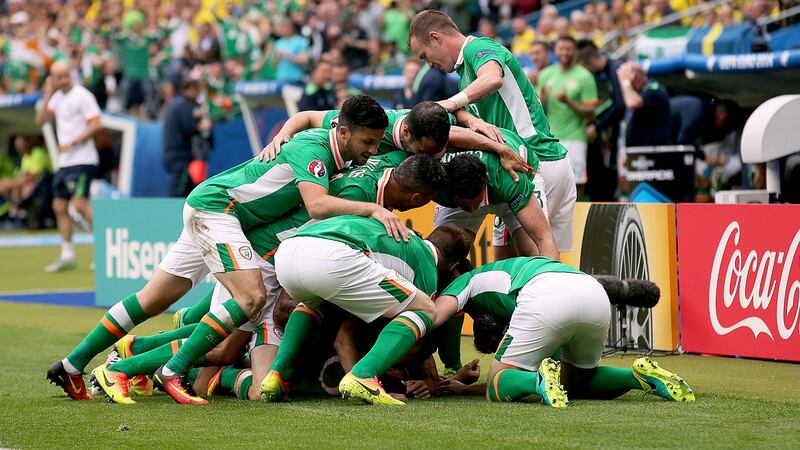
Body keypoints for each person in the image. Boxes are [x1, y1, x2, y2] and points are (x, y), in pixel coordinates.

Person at [45, 96, 403, 404]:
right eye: (368, 142)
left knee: (151, 299)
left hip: (212, 206)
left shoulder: (332, 141)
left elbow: (308, 116)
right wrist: (373, 209)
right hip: (220, 210)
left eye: (377, 143)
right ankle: (168, 371)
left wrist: (284, 131)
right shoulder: (315, 151)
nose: (373, 150)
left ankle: (72, 365)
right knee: (251, 297)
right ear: (344, 132)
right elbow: (317, 205)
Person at [91, 153, 448, 404]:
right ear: (418, 197)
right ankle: (124, 366)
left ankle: (142, 349)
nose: (370, 150)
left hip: (278, 270)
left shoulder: (369, 173)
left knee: (256, 385)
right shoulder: (358, 194)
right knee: (223, 348)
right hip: (263, 263)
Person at [408, 10, 577, 253]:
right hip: (523, 162)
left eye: (425, 56)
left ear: (435, 37)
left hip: (532, 163)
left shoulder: (477, 48)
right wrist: (464, 115)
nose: (429, 65)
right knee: (518, 260)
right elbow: (470, 103)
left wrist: (451, 103)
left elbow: (492, 79)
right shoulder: (465, 76)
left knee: (537, 258)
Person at [261, 216, 472, 405]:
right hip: (336, 257)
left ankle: (278, 374)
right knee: (426, 310)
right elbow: (415, 341)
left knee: (311, 303)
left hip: (289, 252)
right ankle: (364, 376)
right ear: (454, 265)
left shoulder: (399, 231)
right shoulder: (426, 265)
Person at [433, 257, 696, 406]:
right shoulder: (506, 272)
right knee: (578, 380)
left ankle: (536, 381)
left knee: (496, 385)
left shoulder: (463, 282)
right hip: (593, 292)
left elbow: (431, 317)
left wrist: (448, 384)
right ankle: (638, 377)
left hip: (544, 295)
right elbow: (560, 375)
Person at [261, 102, 528, 178]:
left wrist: (498, 147)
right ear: (407, 134)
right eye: (425, 152)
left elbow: (455, 122)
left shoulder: (429, 125)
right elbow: (307, 116)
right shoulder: (373, 125)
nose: (431, 157)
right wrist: (284, 135)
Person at [435, 135, 559, 262]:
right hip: (481, 185)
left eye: (477, 204)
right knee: (443, 252)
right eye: (465, 207)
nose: (472, 211)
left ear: (486, 182)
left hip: (516, 175)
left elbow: (544, 238)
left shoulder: (510, 179)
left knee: (534, 253)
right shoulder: (436, 180)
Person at [35, 61, 102, 273]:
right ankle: (67, 254)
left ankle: (104, 250)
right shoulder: (56, 97)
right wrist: (48, 93)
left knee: (80, 205)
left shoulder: (82, 95)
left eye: (67, 75)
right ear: (52, 79)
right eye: (59, 77)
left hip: (83, 159)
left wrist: (74, 142)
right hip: (65, 162)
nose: (64, 80)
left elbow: (97, 123)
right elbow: (41, 120)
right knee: (59, 206)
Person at [538, 36, 598, 195]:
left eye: (568, 49)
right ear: (555, 51)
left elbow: (591, 110)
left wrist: (569, 102)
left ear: (576, 51)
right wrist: (541, 99)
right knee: (549, 182)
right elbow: (536, 108)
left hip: (575, 137)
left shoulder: (584, 76)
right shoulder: (546, 74)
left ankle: (576, 210)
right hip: (551, 138)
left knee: (576, 182)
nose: (565, 52)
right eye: (561, 49)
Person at [577, 39, 626, 201]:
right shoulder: (610, 70)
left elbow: (620, 106)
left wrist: (597, 126)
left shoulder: (615, 68)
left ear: (591, 61)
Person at [162, 78, 212, 197]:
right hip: (179, 155)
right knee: (176, 189)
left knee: (187, 187)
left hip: (173, 153)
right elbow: (188, 127)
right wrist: (202, 127)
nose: (198, 93)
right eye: (197, 90)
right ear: (189, 89)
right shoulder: (183, 105)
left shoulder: (176, 103)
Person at [617, 62, 672, 147]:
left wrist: (626, 82)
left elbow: (632, 103)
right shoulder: (636, 92)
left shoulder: (654, 88)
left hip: (653, 151)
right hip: (636, 150)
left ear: (634, 75)